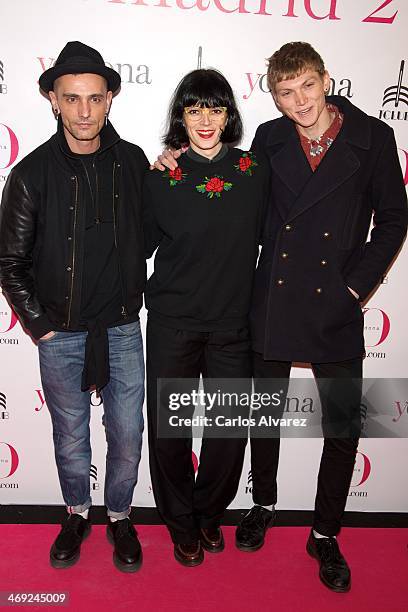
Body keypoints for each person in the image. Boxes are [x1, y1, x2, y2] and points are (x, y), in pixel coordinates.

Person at [153, 42, 408, 590]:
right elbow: (222, 183)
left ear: (326, 80)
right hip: (273, 300)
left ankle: (326, 535)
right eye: (286, 93)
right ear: (274, 96)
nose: (299, 103)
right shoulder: (267, 140)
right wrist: (172, 159)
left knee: (343, 427)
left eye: (307, 88)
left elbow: (392, 220)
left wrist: (353, 288)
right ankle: (262, 504)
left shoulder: (374, 139)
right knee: (262, 416)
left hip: (335, 305)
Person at [0, 41, 149, 573]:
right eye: (72, 99)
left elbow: (155, 234)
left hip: (123, 330)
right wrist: (39, 327)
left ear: (110, 98)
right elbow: (10, 262)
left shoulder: (133, 163)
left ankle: (121, 516)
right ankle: (77, 513)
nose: (84, 111)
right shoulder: (30, 173)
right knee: (70, 436)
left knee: (128, 434)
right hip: (59, 333)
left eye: (94, 98)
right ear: (53, 101)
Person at [143, 68, 269, 566]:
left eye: (214, 109)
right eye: (194, 109)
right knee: (170, 429)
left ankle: (210, 514)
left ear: (228, 115)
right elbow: (138, 247)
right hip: (173, 321)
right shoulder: (162, 176)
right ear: (181, 116)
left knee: (227, 430)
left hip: (231, 326)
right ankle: (179, 522)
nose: (205, 120)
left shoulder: (254, 171)